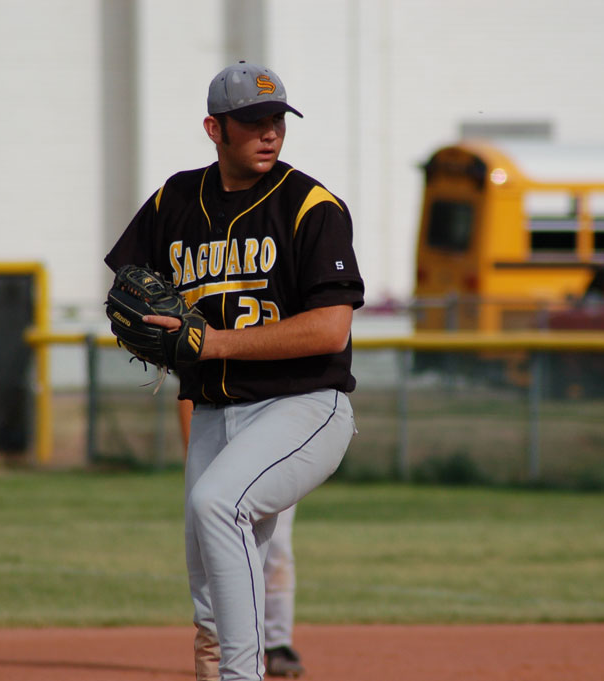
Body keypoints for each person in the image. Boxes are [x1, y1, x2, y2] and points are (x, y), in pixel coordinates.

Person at [106, 62, 364, 681]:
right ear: (214, 129)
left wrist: (213, 341)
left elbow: (331, 328)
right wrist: (141, 321)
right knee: (209, 593)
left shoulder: (311, 206)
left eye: (276, 119)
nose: (269, 132)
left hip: (303, 405)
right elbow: (128, 289)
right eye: (251, 121)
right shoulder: (173, 201)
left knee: (218, 505)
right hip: (213, 411)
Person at [179, 399, 306, 678]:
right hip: (217, 430)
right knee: (212, 555)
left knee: (278, 546)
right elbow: (185, 394)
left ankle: (277, 642)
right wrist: (194, 451)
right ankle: (223, 659)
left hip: (275, 437)